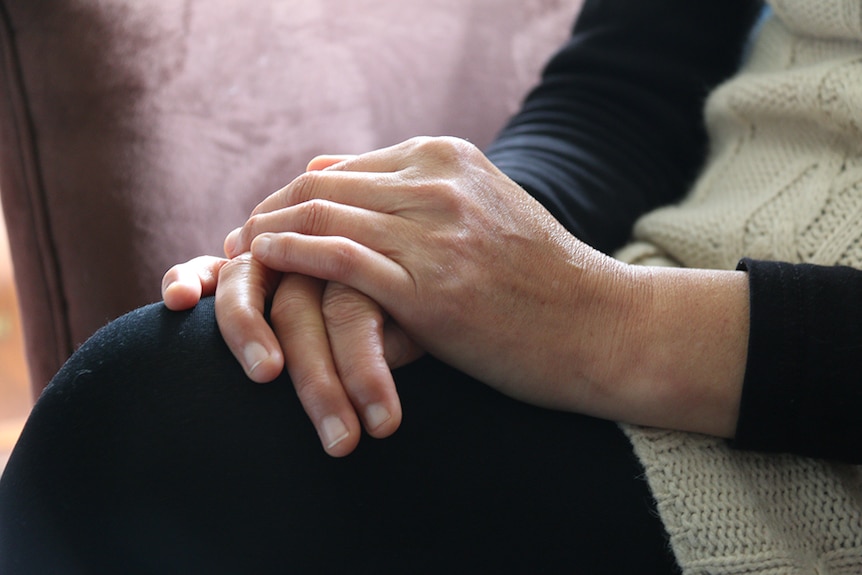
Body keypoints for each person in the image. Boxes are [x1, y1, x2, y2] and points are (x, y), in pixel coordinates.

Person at [2, 0, 861, 573]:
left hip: (799, 424)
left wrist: (604, 319)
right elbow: (625, 94)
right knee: (160, 392)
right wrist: (433, 247)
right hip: (642, 283)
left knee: (153, 438)